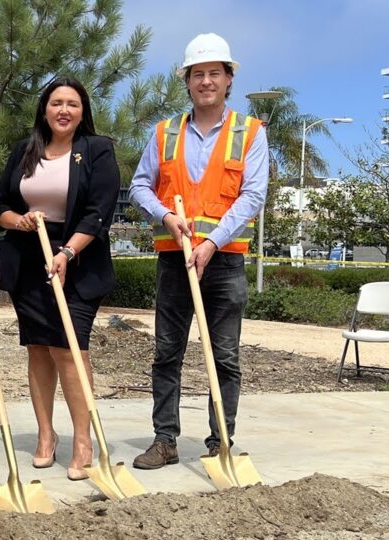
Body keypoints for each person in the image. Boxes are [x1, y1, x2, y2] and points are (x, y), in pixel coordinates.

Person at [128, 33, 269, 469]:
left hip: (224, 261)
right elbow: (138, 186)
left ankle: (220, 441)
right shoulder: (165, 133)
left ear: (229, 79)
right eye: (197, 74)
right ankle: (164, 440)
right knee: (167, 351)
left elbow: (252, 196)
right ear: (186, 82)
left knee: (224, 357)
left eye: (214, 73)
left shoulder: (250, 133)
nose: (206, 81)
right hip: (175, 259)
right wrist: (167, 217)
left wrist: (211, 242)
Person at [0, 77, 120, 481]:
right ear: (44, 108)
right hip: (29, 257)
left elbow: (99, 211)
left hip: (77, 259)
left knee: (70, 348)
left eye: (73, 104)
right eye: (57, 102)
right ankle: (47, 435)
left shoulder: (97, 151)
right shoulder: (25, 151)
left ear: (83, 111)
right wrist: (20, 220)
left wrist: (67, 252)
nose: (64, 110)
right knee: (39, 349)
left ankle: (84, 439)